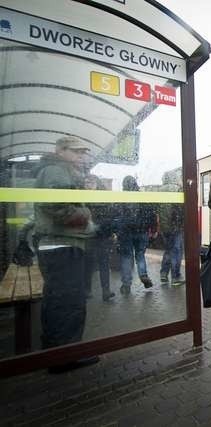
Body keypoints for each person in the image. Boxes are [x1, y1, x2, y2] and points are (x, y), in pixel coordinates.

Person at [33, 136, 99, 371]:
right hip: (62, 245)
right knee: (69, 300)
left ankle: (55, 351)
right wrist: (86, 219)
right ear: (60, 150)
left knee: (58, 299)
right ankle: (66, 356)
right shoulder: (56, 170)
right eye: (77, 152)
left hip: (57, 245)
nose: (82, 157)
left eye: (84, 153)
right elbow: (55, 205)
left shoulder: (54, 170)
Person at [115, 175, 157, 294]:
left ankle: (126, 284)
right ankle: (143, 275)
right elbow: (151, 213)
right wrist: (152, 229)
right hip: (141, 231)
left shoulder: (121, 198)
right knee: (140, 255)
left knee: (126, 257)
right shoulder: (142, 196)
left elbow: (117, 216)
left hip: (126, 232)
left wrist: (116, 231)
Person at [84, 174, 116, 302]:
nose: (88, 185)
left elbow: (110, 216)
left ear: (97, 184)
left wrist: (109, 232)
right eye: (86, 183)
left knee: (103, 263)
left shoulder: (103, 197)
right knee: (88, 264)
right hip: (88, 236)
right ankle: (87, 290)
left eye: (90, 182)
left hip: (102, 236)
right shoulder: (81, 197)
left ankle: (106, 291)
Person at [159, 171, 184, 285]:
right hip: (175, 226)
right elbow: (180, 208)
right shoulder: (177, 189)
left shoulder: (159, 190)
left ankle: (164, 274)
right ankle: (175, 277)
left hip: (164, 227)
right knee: (176, 251)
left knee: (168, 250)